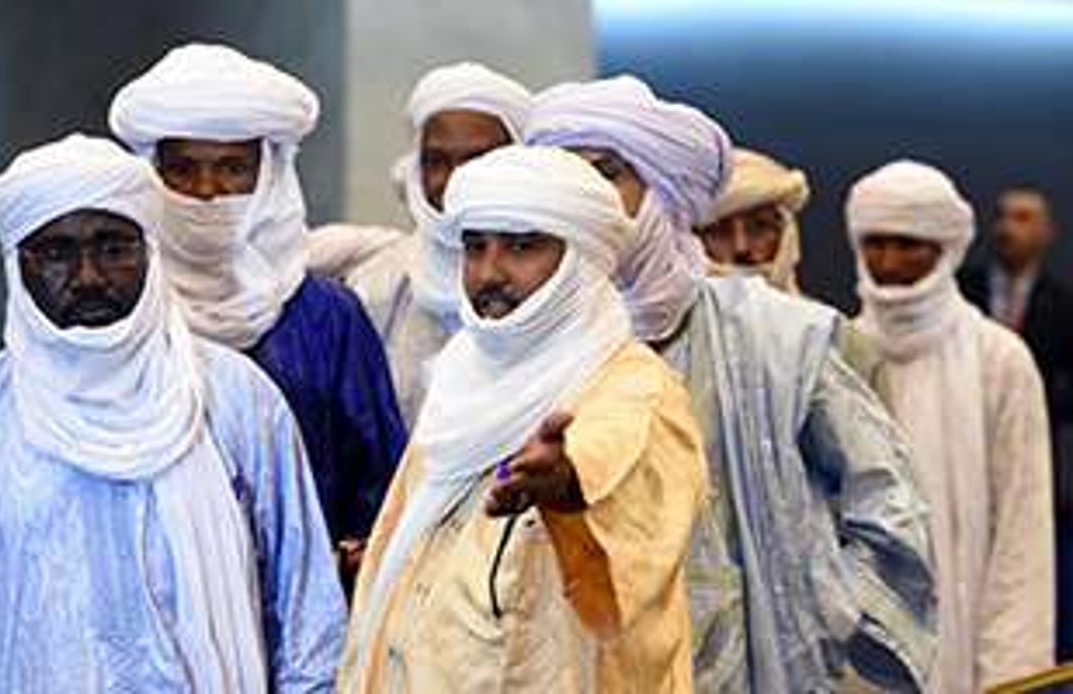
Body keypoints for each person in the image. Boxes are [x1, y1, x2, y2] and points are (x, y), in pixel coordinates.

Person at [0, 134, 345, 691]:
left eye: (113, 247)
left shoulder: (236, 402)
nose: (88, 276)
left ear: (150, 251)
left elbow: (309, 624)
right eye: (57, 253)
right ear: (19, 266)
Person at [526, 76, 935, 692]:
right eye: (568, 178)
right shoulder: (525, 351)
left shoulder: (782, 338)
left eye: (608, 173)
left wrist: (823, 635)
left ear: (661, 190)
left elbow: (888, 504)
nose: (589, 198)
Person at [340, 146, 706, 692]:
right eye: (475, 247)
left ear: (579, 257)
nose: (489, 274)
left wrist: (569, 490)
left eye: (522, 247)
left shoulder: (632, 387)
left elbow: (639, 518)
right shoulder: (463, 376)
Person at [108, 43, 406, 574]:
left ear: (269, 176)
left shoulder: (330, 319)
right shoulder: (118, 316)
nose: (207, 192)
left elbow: (381, 484)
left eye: (231, 169)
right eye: (182, 170)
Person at [848, 161, 1054, 691]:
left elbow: (1021, 531)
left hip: (970, 656)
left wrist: (1012, 674)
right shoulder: (834, 352)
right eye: (875, 242)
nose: (889, 262)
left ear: (947, 248)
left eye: (909, 243)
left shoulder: (999, 359)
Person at [308, 62, 532, 426]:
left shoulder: (557, 284)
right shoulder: (377, 286)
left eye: (478, 160)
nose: (455, 181)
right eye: (438, 161)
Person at [959, 185, 1073, 661]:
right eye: (1004, 216)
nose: (1009, 228)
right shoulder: (960, 289)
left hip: (1034, 456)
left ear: (1047, 233)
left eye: (1024, 218)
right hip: (959, 449)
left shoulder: (1064, 307)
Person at [696, 147, 891, 398]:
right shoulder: (668, 346)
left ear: (788, 233)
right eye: (718, 230)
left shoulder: (838, 343)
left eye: (760, 227)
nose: (741, 247)